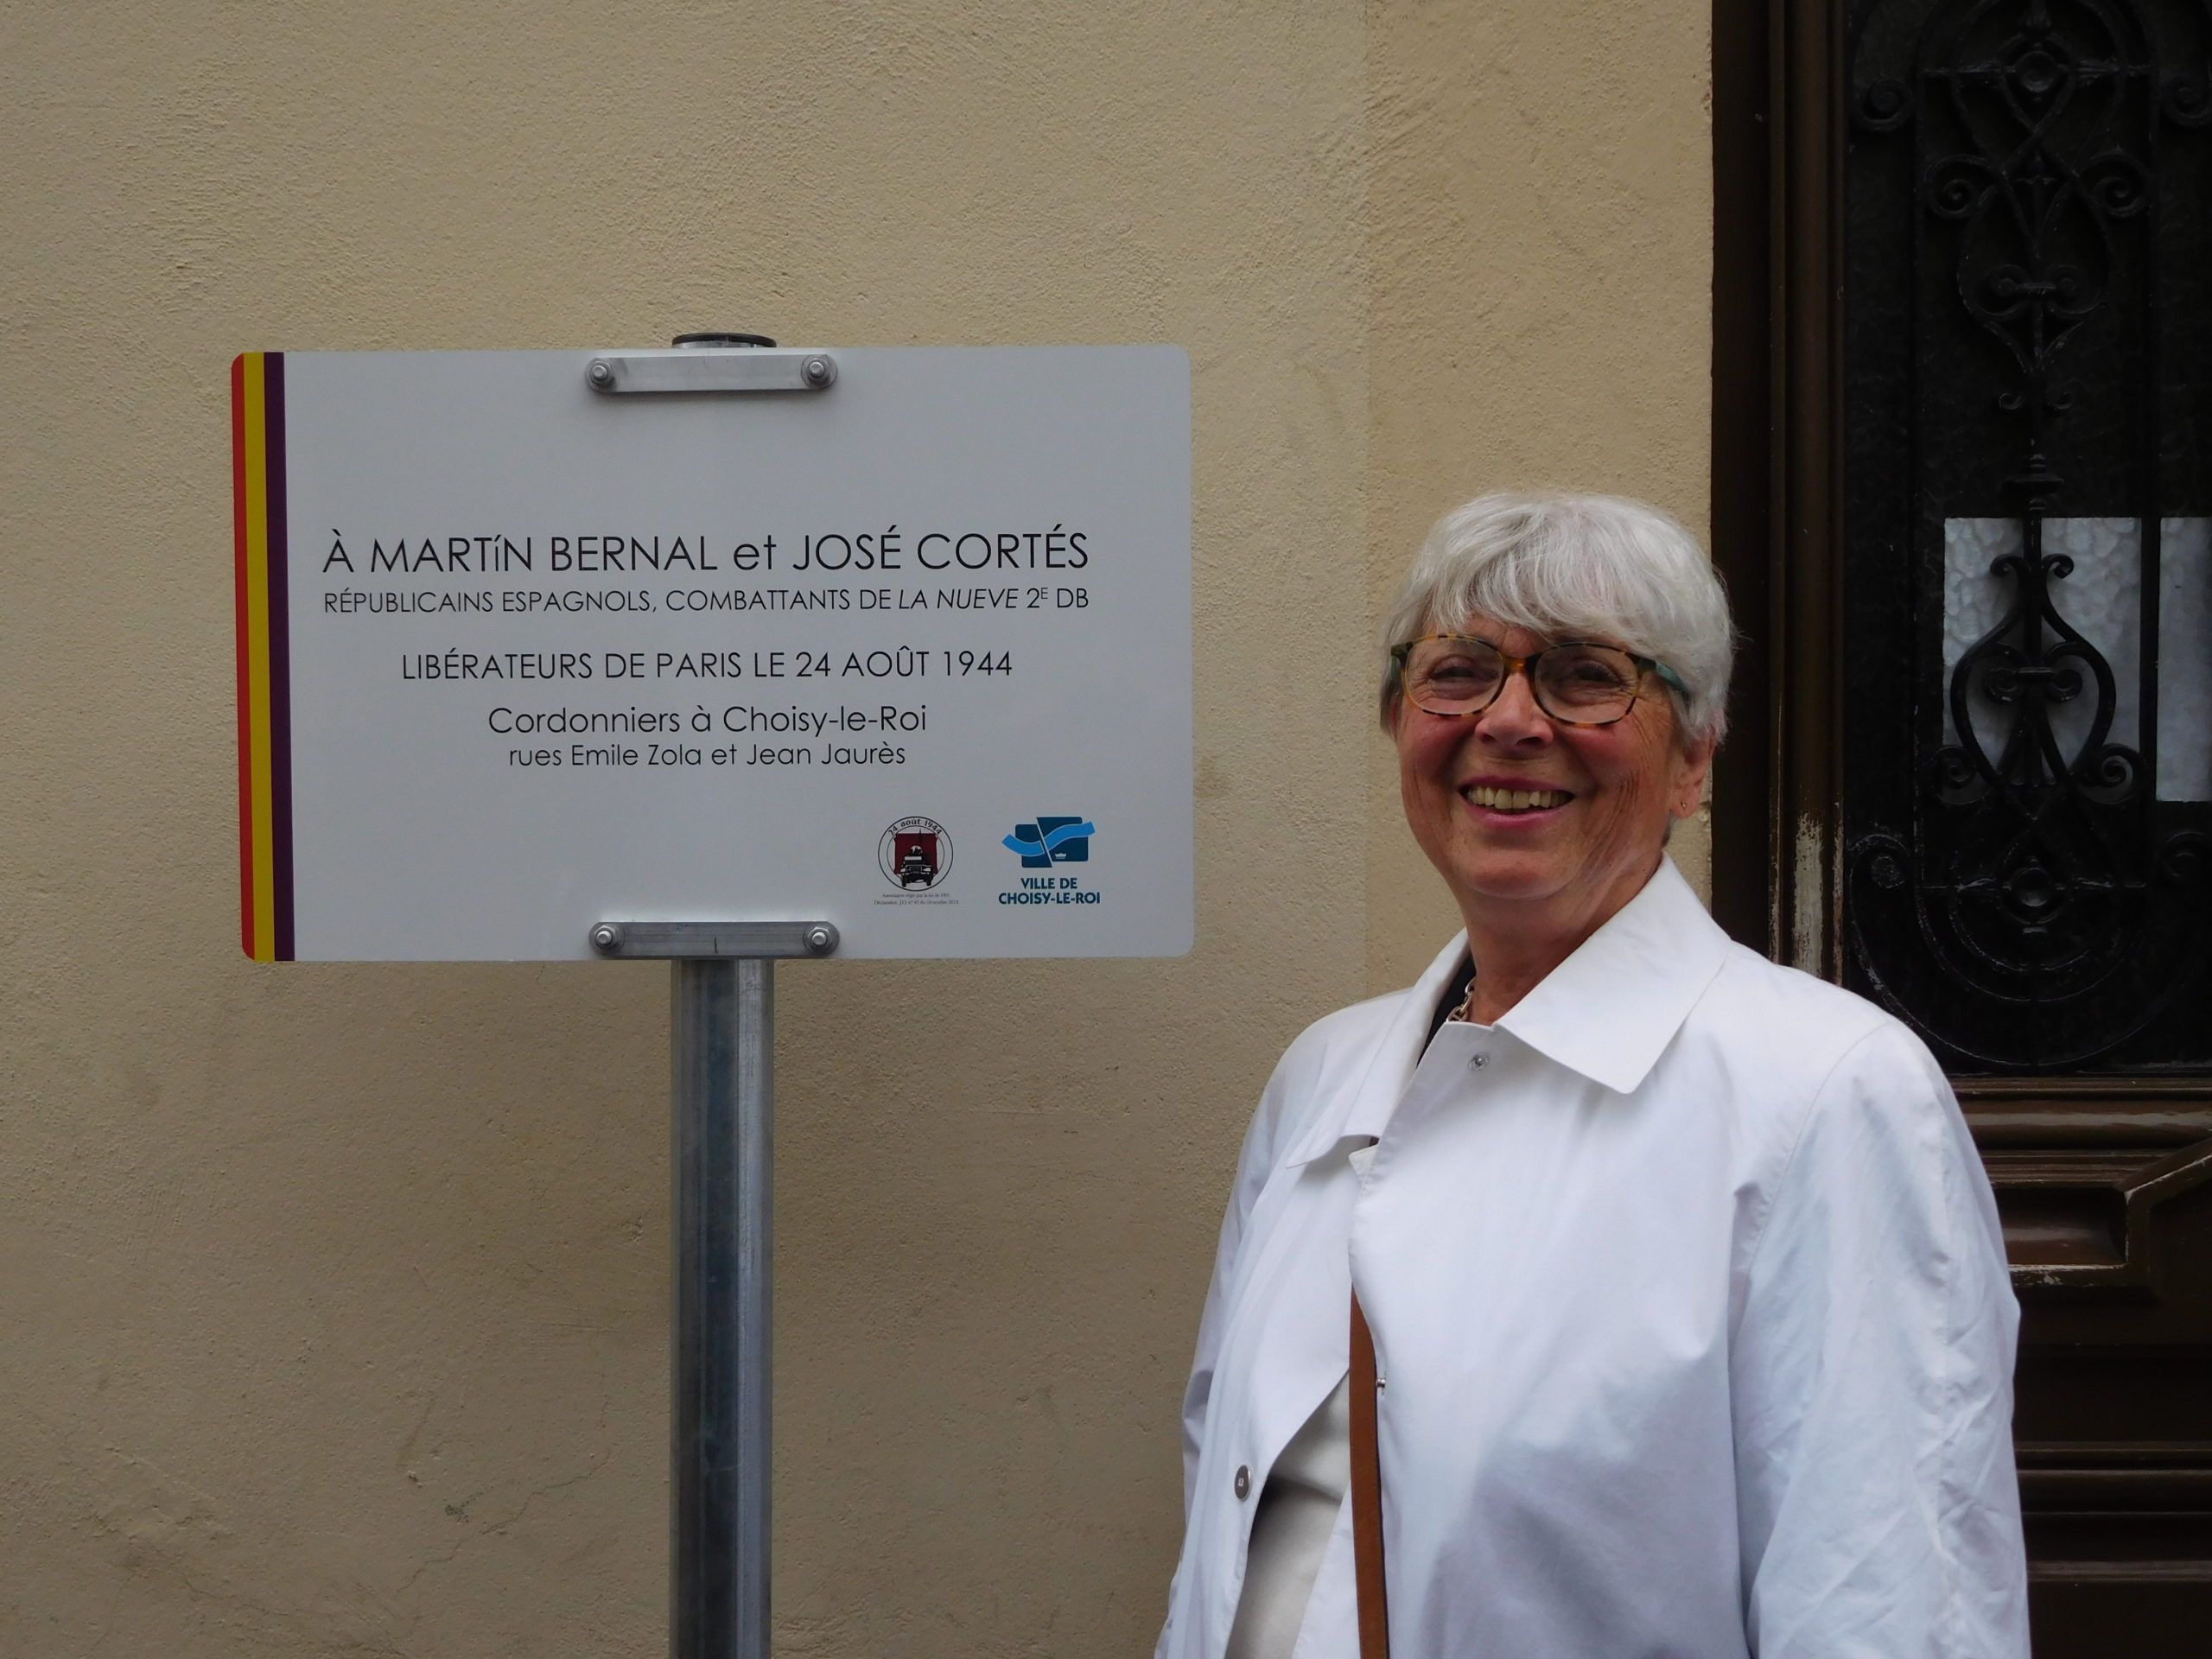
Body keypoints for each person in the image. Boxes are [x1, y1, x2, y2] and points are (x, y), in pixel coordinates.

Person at [1154, 493, 2028, 1658]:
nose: (1510, 722)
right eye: (1459, 672)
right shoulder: (1327, 1075)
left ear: (1695, 757)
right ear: (1400, 721)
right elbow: (1231, 1512)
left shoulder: (1825, 1096)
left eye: (1585, 677)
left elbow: (1889, 1606)